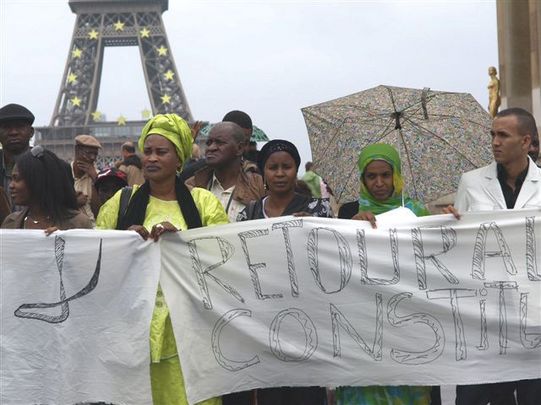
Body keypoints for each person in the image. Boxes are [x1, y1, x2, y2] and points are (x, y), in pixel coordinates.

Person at [96, 113, 228, 405]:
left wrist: (181, 243)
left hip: (190, 339)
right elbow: (95, 256)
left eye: (161, 152)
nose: (151, 158)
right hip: (131, 337)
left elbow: (225, 259)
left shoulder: (204, 203)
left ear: (179, 159)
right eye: (148, 151)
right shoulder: (121, 202)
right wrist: (123, 242)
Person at [444, 107, 541, 405]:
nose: (495, 142)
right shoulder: (471, 182)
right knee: (474, 395)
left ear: (526, 142)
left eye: (503, 135)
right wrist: (450, 225)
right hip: (484, 312)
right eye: (493, 135)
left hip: (535, 313)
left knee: (532, 394)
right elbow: (458, 245)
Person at [336, 143, 431, 405]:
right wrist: (349, 229)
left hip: (408, 324)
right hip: (363, 324)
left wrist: (449, 224)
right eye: (371, 176)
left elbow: (433, 262)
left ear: (397, 175)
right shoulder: (346, 213)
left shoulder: (417, 213)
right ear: (362, 179)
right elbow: (334, 267)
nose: (379, 182)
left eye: (385, 175)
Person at [237, 139, 330, 405]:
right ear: (263, 172)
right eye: (273, 167)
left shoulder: (318, 210)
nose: (279, 173)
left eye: (286, 167)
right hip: (265, 322)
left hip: (309, 320)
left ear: (296, 169)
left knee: (308, 391)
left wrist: (311, 230)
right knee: (270, 392)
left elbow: (334, 258)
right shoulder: (249, 214)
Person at [186, 121, 265, 222]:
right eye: (209, 143)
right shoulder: (191, 185)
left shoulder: (259, 185)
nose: (211, 148)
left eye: (220, 142)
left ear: (240, 148)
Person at [1, 146, 92, 232]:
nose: (11, 185)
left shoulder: (79, 224)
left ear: (37, 181)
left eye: (17, 179)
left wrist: (62, 238)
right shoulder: (10, 223)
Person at [0, 103, 35, 211]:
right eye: (6, 127)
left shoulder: (49, 166)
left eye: (20, 126)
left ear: (31, 132)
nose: (13, 132)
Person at [72, 134, 102, 224]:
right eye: (89, 153)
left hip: (91, 231)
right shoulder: (63, 173)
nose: (93, 158)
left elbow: (99, 212)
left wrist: (95, 179)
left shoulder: (99, 176)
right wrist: (73, 203)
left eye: (95, 154)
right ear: (77, 150)